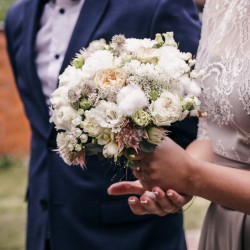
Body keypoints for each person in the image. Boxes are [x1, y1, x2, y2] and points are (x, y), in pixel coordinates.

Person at [4, 0, 201, 249]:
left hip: (130, 231)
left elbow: (200, 121)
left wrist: (179, 183)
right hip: (44, 226)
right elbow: (43, 126)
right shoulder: (18, 17)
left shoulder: (155, 5)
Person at [108, 0, 250, 249]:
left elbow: (195, 174)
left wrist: (192, 175)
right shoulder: (220, 6)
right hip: (224, 229)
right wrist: (175, 180)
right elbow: (213, 132)